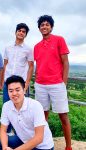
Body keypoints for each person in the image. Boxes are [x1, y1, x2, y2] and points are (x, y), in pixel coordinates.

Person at [34, 15, 72, 150]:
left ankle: (68, 146)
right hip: (40, 85)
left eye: (47, 24)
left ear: (51, 26)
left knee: (63, 115)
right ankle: (44, 143)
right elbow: (38, 65)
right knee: (42, 116)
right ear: (39, 28)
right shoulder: (36, 46)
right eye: (42, 25)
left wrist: (64, 83)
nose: (44, 27)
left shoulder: (59, 40)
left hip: (57, 84)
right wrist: (37, 78)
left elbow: (65, 63)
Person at [0, 75, 54, 150]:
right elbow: (3, 130)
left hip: (42, 146)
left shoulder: (35, 106)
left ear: (24, 90)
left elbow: (39, 138)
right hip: (23, 140)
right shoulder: (6, 106)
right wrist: (5, 147)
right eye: (11, 91)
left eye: (17, 90)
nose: (14, 93)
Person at [3, 23, 34, 133]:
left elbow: (31, 66)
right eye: (19, 30)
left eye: (23, 31)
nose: (21, 33)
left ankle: (21, 133)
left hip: (21, 84)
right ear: (15, 32)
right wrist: (2, 80)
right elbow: (5, 64)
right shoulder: (8, 48)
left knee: (22, 108)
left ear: (25, 35)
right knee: (7, 106)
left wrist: (27, 83)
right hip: (8, 82)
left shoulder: (29, 49)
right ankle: (7, 132)